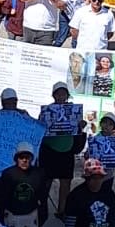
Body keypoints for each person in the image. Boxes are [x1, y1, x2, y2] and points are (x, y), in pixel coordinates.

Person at [38, 82, 82, 219]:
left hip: (67, 149)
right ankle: (41, 206)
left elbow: (78, 129)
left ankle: (62, 210)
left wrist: (81, 125)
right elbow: (40, 127)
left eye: (63, 93)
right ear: (54, 95)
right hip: (49, 150)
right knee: (46, 181)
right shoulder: (47, 110)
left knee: (66, 181)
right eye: (58, 93)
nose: (61, 96)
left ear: (67, 95)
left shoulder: (73, 110)